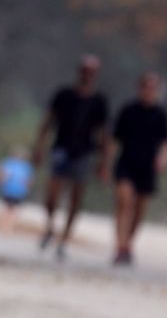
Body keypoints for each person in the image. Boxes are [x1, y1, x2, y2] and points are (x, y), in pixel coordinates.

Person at [32, 54, 109, 261]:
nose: (88, 75)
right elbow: (48, 121)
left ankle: (65, 238)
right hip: (61, 149)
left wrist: (104, 162)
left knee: (75, 198)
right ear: (79, 72)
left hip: (84, 152)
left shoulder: (99, 101)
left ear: (96, 75)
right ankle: (50, 228)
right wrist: (38, 147)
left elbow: (103, 133)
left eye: (92, 72)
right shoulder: (64, 94)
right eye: (85, 71)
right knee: (51, 195)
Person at [103, 72, 167, 266]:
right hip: (126, 163)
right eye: (146, 87)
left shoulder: (161, 114)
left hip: (147, 167)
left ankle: (128, 244)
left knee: (139, 209)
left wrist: (162, 158)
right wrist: (106, 165)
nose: (149, 92)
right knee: (124, 201)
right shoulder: (128, 110)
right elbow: (114, 139)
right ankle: (120, 245)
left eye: (153, 88)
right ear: (140, 88)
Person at [0, 146, 34, 232]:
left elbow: (28, 180)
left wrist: (26, 189)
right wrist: (1, 183)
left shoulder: (26, 167)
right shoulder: (8, 163)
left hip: (18, 191)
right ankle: (3, 226)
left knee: (13, 210)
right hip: (8, 189)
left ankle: (9, 227)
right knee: (7, 208)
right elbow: (0, 173)